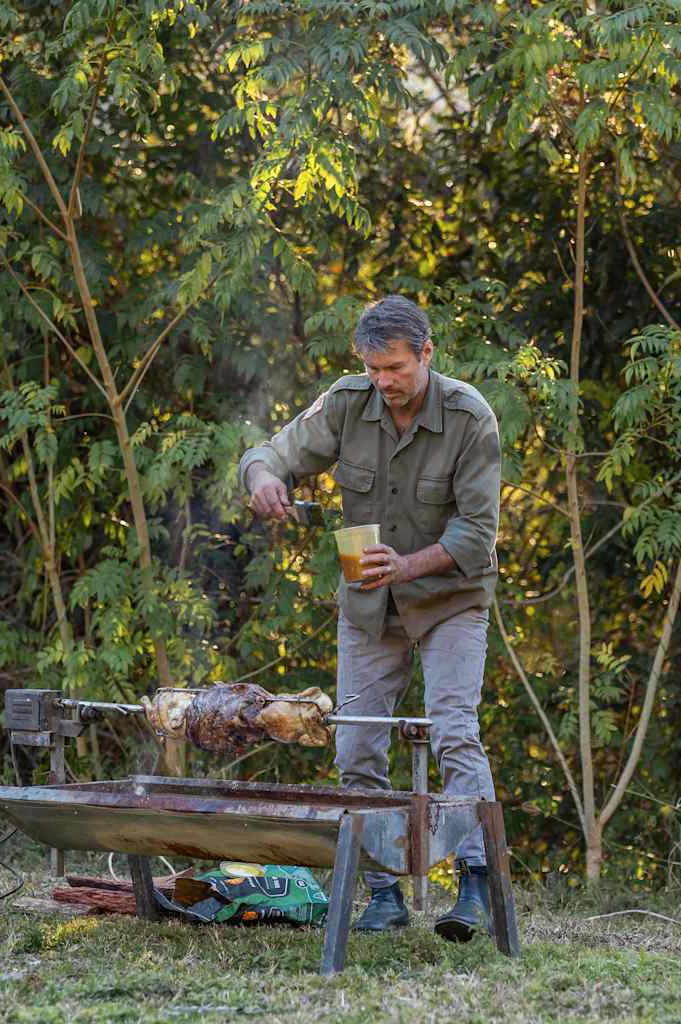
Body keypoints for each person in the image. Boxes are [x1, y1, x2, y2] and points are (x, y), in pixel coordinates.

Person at [238, 294, 501, 942]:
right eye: (373, 368)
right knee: (354, 743)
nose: (384, 382)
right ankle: (382, 891)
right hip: (366, 606)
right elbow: (273, 450)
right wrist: (263, 478)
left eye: (396, 368)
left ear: (426, 354)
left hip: (449, 600)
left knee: (453, 732)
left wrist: (409, 566)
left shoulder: (471, 417)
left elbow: (479, 532)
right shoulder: (348, 402)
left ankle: (476, 883)